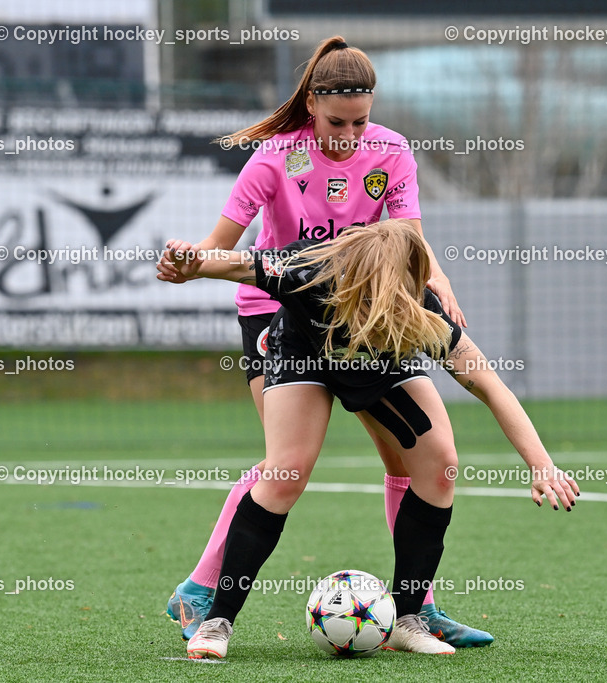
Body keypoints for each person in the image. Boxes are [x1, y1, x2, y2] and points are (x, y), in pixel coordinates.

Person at [156, 34, 489, 650]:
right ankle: (203, 592)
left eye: (360, 121)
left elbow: (409, 238)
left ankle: (415, 609)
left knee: (410, 460)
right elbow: (218, 250)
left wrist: (437, 281)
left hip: (359, 315)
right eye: (337, 123)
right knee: (285, 464)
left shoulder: (391, 151)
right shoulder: (274, 159)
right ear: (311, 104)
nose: (349, 135)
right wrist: (184, 262)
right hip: (277, 312)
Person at [160, 220, 580, 658]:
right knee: (286, 474)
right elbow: (233, 264)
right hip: (304, 355)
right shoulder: (308, 271)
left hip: (380, 359)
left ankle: (408, 619)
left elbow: (490, 385)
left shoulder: (418, 307)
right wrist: (189, 262)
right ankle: (218, 621)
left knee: (440, 467)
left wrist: (542, 466)